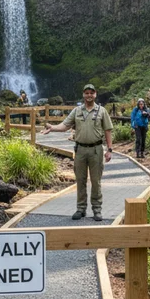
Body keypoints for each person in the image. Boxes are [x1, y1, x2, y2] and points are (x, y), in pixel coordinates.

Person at [43, 83, 113, 221]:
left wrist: (109, 149)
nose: (89, 95)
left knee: (96, 181)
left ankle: (97, 209)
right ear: (83, 94)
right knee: (80, 180)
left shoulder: (102, 111)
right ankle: (81, 209)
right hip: (80, 149)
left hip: (96, 149)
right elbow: (64, 126)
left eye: (91, 93)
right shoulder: (76, 111)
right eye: (86, 93)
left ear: (95, 94)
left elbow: (108, 130)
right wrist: (52, 128)